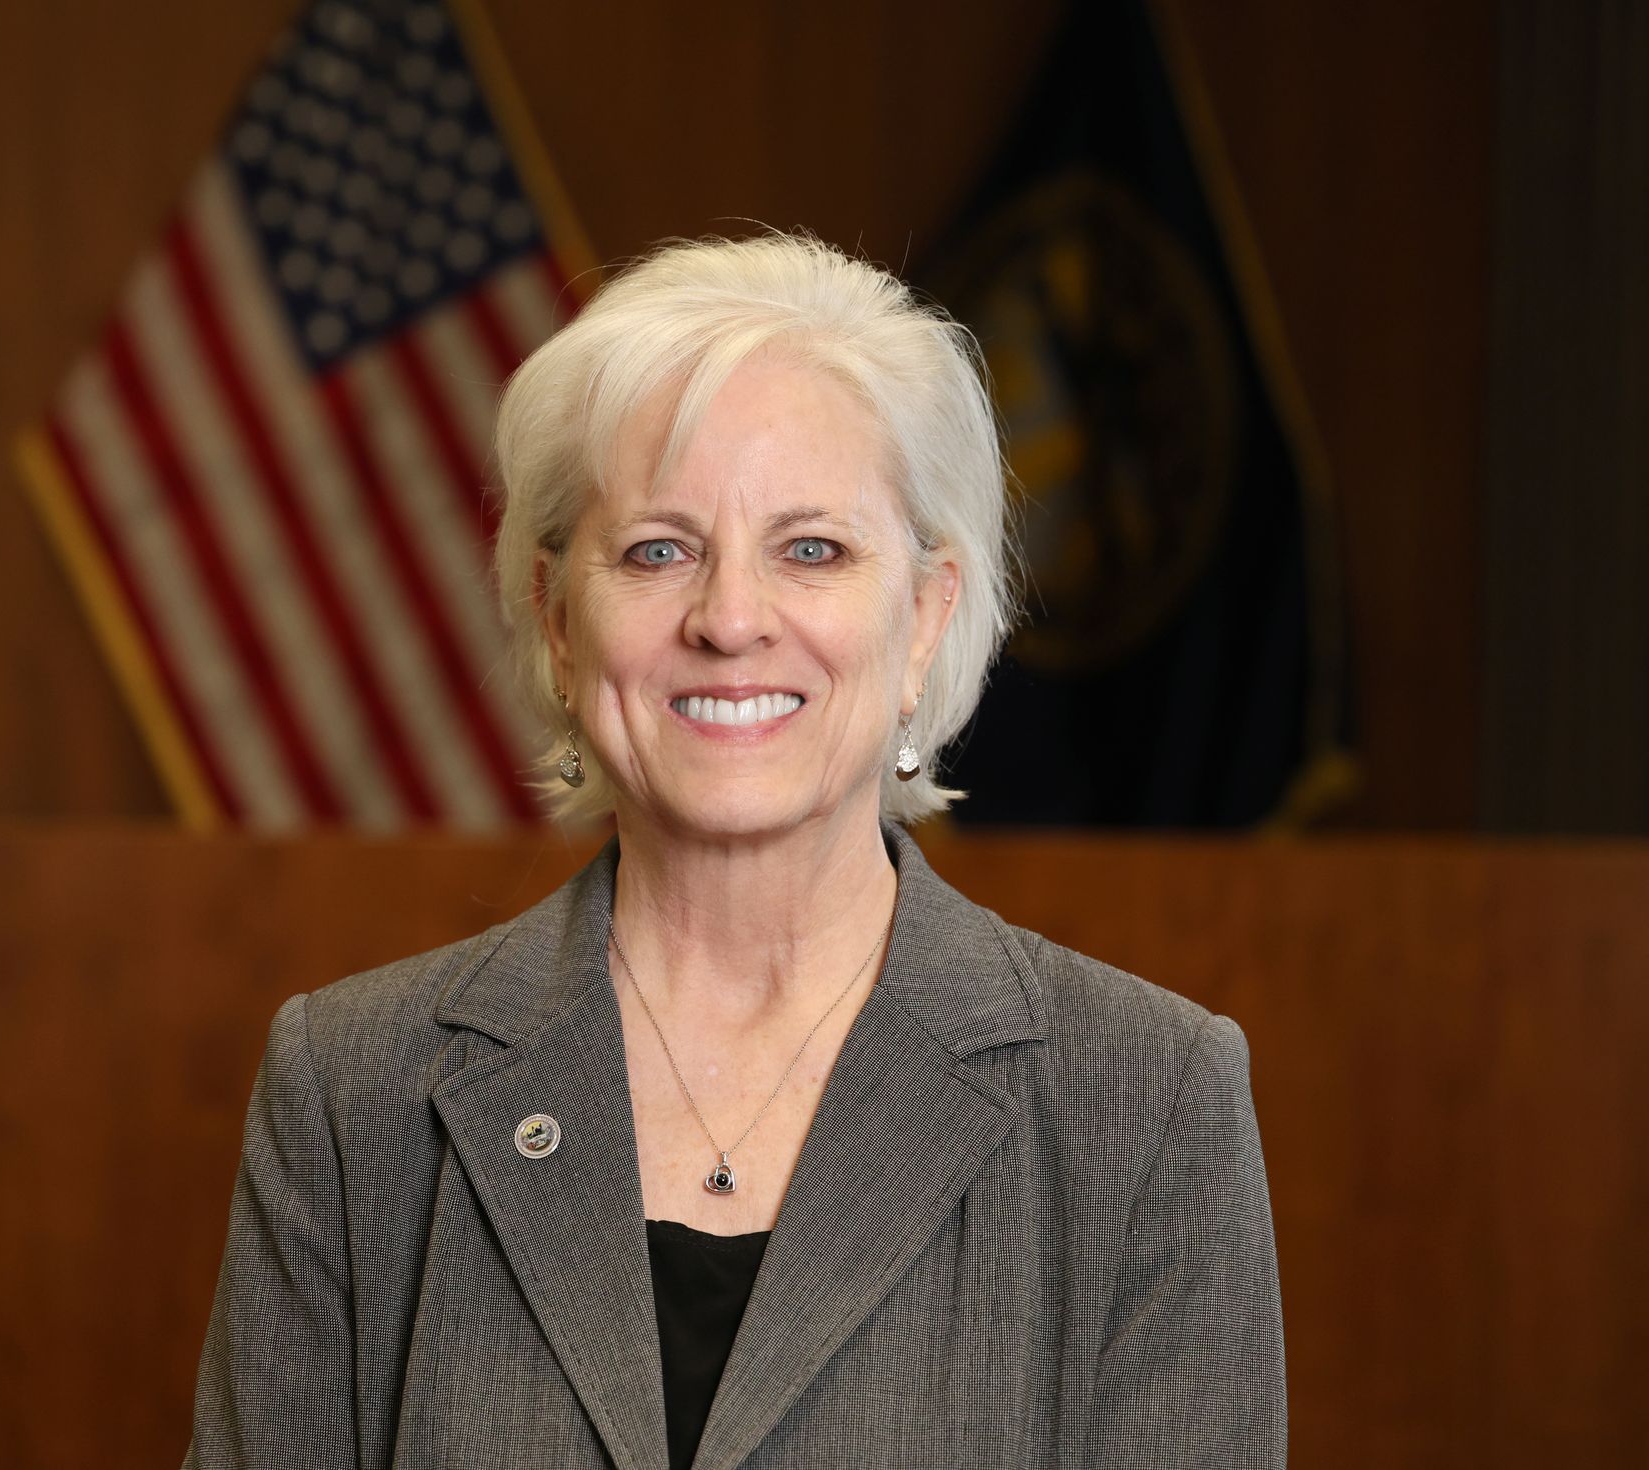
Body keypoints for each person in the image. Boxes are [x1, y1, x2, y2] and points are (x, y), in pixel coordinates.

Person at [182, 233, 1285, 1469]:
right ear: (557, 620)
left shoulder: (1152, 1105)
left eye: (812, 549)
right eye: (659, 550)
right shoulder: (351, 1093)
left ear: (925, 616)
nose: (731, 619)